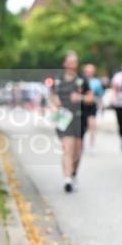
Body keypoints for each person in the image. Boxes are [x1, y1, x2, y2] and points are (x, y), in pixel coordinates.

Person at [49, 51, 93, 193]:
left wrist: (79, 98)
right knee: (67, 148)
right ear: (64, 63)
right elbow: (51, 95)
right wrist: (54, 102)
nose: (72, 65)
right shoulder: (58, 80)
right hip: (64, 119)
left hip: (79, 118)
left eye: (75, 62)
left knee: (77, 151)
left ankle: (73, 174)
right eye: (70, 62)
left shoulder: (82, 80)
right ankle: (67, 179)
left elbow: (90, 98)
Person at [82, 63, 103, 150]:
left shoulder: (96, 82)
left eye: (91, 71)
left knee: (92, 125)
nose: (89, 73)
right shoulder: (80, 80)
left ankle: (91, 145)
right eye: (88, 71)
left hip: (92, 106)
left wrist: (101, 105)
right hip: (82, 105)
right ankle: (81, 144)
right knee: (83, 126)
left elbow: (100, 95)